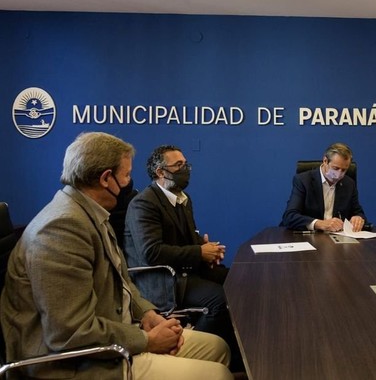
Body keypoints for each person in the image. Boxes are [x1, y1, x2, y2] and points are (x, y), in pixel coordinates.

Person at [0, 132, 232, 380]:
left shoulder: (93, 214)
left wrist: (147, 314)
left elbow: (123, 282)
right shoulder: (61, 230)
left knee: (218, 348)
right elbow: (69, 334)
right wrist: (147, 340)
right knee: (217, 375)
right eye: (127, 175)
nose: (130, 183)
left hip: (115, 333)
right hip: (76, 363)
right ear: (106, 178)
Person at [123, 145, 243, 372]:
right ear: (160, 172)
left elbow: (186, 238)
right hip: (161, 279)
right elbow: (151, 252)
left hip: (185, 270)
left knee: (237, 281)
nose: (185, 169)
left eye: (186, 164)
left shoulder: (182, 198)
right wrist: (199, 252)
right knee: (219, 301)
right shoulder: (144, 203)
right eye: (178, 165)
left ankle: (237, 360)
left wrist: (207, 249)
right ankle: (191, 356)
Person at [281, 142, 366, 232]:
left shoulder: (349, 184)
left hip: (338, 236)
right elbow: (289, 217)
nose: (339, 175)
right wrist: (319, 224)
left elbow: (359, 213)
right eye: (336, 168)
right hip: (308, 236)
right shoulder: (303, 181)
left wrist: (358, 218)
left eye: (344, 170)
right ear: (325, 161)